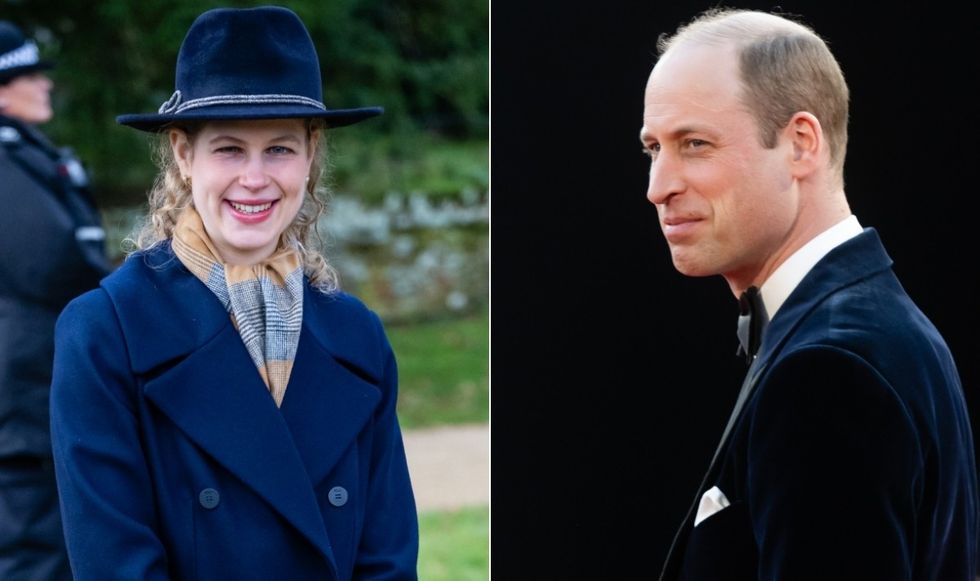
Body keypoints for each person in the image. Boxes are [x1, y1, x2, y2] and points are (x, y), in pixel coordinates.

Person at [48, 6, 418, 580]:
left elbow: (387, 561)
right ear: (182, 154)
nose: (255, 177)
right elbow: (115, 564)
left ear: (311, 154)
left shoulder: (357, 336)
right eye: (228, 148)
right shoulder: (105, 332)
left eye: (280, 148)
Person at [640, 8, 978, 580]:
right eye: (653, 149)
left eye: (694, 144)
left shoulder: (830, 369)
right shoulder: (869, 325)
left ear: (801, 144)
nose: (659, 187)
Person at [0, 20, 111, 581]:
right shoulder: (5, 163)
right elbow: (51, 263)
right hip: (23, 394)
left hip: (36, 386)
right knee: (35, 552)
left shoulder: (25, 155)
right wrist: (123, 305)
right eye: (29, 74)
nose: (44, 83)